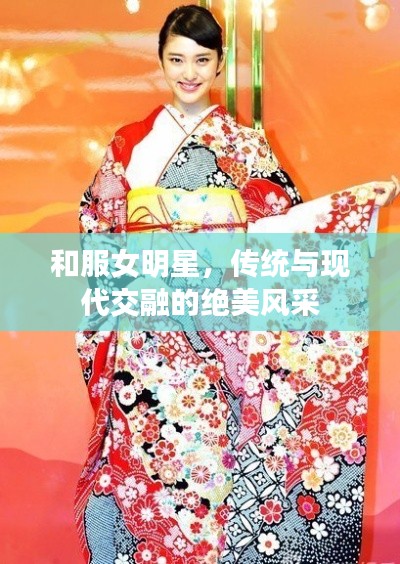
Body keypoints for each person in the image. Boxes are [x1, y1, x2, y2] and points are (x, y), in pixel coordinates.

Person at [75, 5, 399, 564]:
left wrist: (355, 207)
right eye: (177, 59)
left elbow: (284, 228)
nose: (189, 72)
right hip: (147, 338)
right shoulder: (128, 144)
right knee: (141, 471)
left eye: (202, 60)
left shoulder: (246, 146)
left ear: (221, 63)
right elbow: (97, 230)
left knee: (208, 479)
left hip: (216, 341)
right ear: (161, 61)